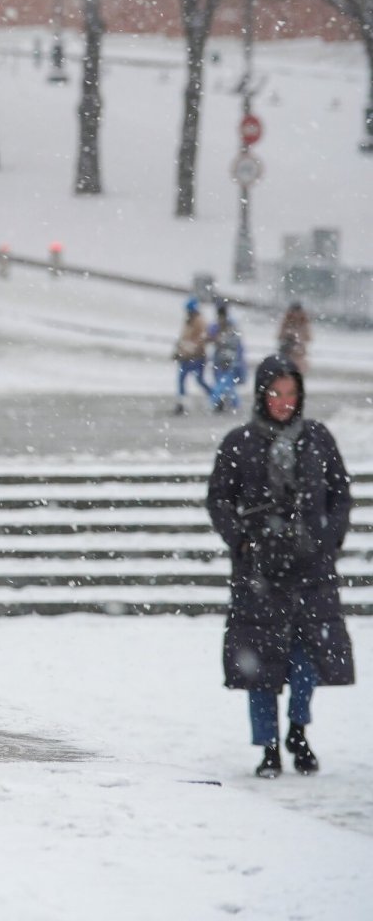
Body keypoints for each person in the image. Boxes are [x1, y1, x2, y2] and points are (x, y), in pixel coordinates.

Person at [206, 354, 355, 779]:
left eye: (291, 393)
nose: (283, 401)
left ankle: (298, 731)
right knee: (261, 666)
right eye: (276, 392)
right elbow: (219, 498)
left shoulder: (318, 439)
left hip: (310, 569)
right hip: (260, 571)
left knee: (307, 659)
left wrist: (329, 539)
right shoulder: (240, 442)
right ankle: (269, 748)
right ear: (261, 393)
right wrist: (242, 540)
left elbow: (340, 494)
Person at [172, 298, 210, 416]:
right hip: (187, 356)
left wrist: (191, 350)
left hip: (197, 356)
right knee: (182, 378)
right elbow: (183, 338)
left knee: (199, 380)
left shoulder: (199, 321)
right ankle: (182, 402)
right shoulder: (188, 321)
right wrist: (179, 350)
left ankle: (215, 396)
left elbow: (200, 340)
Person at [208, 302, 246, 414]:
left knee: (224, 383)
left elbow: (235, 343)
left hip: (228, 360)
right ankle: (229, 402)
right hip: (220, 359)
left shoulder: (230, 326)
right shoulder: (217, 326)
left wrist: (221, 341)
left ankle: (218, 401)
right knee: (225, 383)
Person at [277, 300, 312, 375]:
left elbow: (308, 337)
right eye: (294, 312)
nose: (296, 314)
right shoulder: (286, 321)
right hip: (286, 351)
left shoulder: (304, 322)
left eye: (297, 312)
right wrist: (289, 335)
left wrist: (297, 337)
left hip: (298, 353)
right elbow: (280, 336)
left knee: (297, 374)